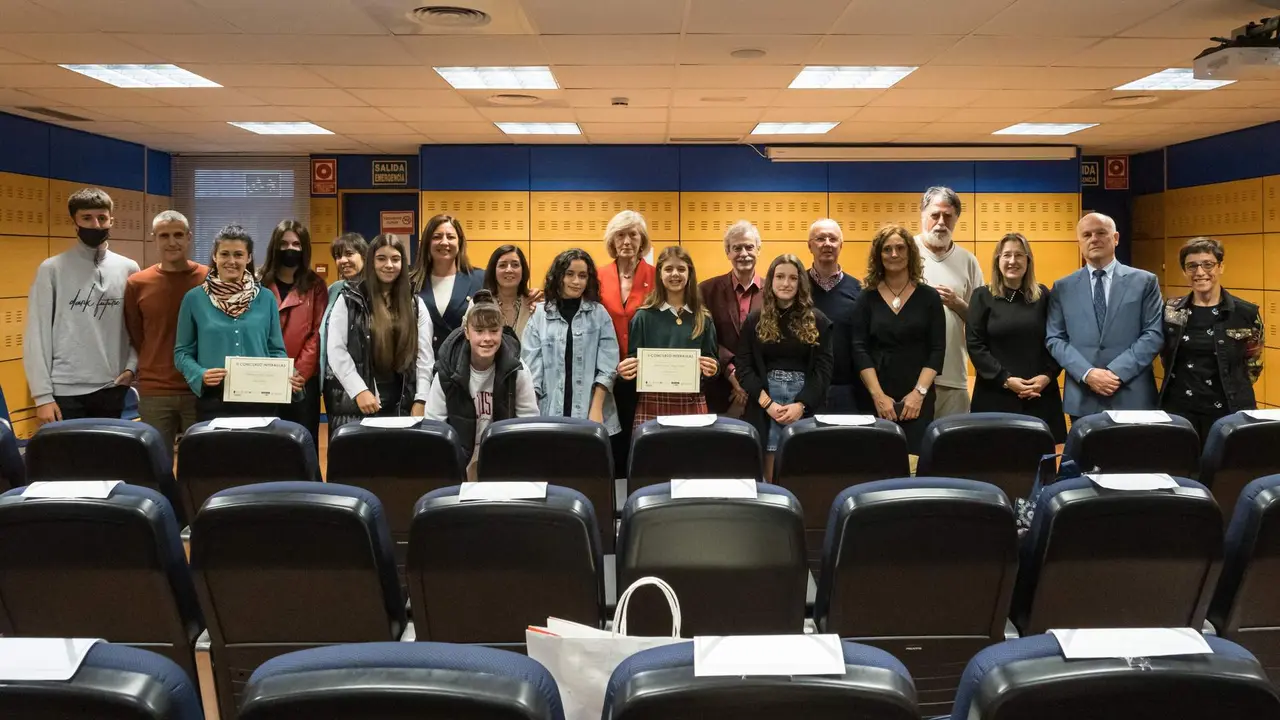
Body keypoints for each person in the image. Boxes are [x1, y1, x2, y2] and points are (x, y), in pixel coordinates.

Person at [24, 187, 139, 424]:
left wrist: (131, 368)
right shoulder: (52, 269)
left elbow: (138, 329)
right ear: (74, 222)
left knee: (109, 458)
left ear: (111, 220)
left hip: (113, 387)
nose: (96, 225)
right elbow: (37, 334)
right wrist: (42, 396)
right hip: (66, 391)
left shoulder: (129, 268)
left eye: (102, 218)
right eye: (87, 218)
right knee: (71, 460)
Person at [1046, 212, 1163, 420]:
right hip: (1083, 395)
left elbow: (1153, 334)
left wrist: (1116, 373)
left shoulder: (1145, 282)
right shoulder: (1062, 287)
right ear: (1079, 242)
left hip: (1133, 395)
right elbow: (1055, 338)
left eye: (1101, 232)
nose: (1094, 239)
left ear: (1116, 238)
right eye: (1087, 234)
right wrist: (1088, 374)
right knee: (1085, 453)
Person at [174, 225, 293, 422]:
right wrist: (200, 374)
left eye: (238, 255)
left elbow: (276, 350)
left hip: (261, 397)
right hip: (213, 398)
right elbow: (182, 352)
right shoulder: (194, 299)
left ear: (248, 258)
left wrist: (288, 374)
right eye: (225, 254)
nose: (231, 261)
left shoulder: (266, 298)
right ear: (215, 256)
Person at [735, 254, 833, 480]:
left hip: (804, 404)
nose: (786, 283)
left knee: (800, 467)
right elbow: (744, 366)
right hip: (765, 404)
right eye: (780, 277)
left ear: (801, 283)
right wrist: (767, 403)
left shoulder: (818, 321)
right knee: (768, 470)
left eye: (793, 278)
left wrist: (802, 404)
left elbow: (824, 369)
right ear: (770, 282)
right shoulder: (754, 320)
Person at [1159, 237, 1263, 445]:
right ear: (1184, 271)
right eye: (1192, 266)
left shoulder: (1246, 313)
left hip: (1229, 410)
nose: (1200, 272)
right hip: (1180, 410)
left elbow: (1253, 364)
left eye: (1208, 264)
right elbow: (1166, 356)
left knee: (1226, 474)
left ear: (1221, 266)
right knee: (1182, 471)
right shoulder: (1171, 310)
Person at [326, 234, 434, 432]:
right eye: (381, 258)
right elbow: (335, 350)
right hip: (362, 400)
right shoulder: (350, 299)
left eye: (395, 259)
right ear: (371, 262)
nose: (389, 265)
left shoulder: (415, 304)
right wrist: (359, 391)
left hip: (403, 402)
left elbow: (425, 357)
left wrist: (421, 398)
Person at [425, 290, 538, 480]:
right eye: (479, 331)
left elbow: (528, 422)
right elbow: (435, 426)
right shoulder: (447, 370)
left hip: (503, 462)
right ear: (467, 333)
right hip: (457, 462)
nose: (487, 338)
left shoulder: (517, 369)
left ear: (502, 332)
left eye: (494, 331)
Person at [853, 224, 946, 454]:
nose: (894, 254)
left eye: (900, 248)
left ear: (910, 253)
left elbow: (937, 349)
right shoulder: (866, 298)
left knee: (915, 464)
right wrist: (878, 396)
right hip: (875, 397)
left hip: (917, 399)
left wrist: (918, 394)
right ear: (878, 256)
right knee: (876, 461)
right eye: (887, 249)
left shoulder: (929, 297)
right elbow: (859, 348)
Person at [966, 233, 1066, 443]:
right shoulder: (982, 296)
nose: (1013, 261)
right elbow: (976, 346)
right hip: (995, 394)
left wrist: (1047, 376)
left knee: (1040, 463)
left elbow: (1057, 339)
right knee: (993, 461)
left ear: (1028, 261)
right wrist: (1006, 380)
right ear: (998, 260)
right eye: (1007, 255)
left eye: (1019, 255)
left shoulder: (1043, 295)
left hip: (1039, 394)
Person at [123, 211, 208, 456]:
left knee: (201, 462)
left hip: (200, 387)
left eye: (178, 235)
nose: (172, 242)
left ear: (189, 237)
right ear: (154, 239)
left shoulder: (209, 278)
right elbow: (136, 333)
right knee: (156, 462)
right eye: (164, 236)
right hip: (156, 390)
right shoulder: (137, 283)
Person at [522, 248, 620, 435]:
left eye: (582, 276)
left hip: (592, 411)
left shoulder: (599, 314)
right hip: (548, 412)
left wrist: (596, 408)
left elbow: (608, 366)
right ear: (558, 276)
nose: (576, 281)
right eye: (570, 274)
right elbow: (531, 370)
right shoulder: (539, 315)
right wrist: (532, 414)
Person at [617, 245, 719, 426]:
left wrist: (713, 369)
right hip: (652, 402)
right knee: (651, 455)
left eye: (681, 269)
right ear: (659, 274)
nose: (675, 274)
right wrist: (625, 371)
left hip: (692, 402)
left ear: (690, 273)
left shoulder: (703, 318)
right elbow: (633, 360)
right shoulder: (643, 317)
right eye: (668, 269)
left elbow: (712, 362)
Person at [915, 186, 983, 418]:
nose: (941, 222)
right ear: (923, 215)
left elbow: (981, 320)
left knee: (952, 448)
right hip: (909, 375)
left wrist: (957, 303)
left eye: (948, 216)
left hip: (953, 375)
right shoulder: (903, 252)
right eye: (935, 215)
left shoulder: (968, 261)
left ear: (956, 219)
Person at [259, 220, 328, 450]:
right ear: (274, 247)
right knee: (267, 444)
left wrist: (298, 373)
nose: (291, 249)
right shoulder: (258, 282)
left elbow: (317, 333)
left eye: (297, 244)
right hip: (264, 377)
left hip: (302, 382)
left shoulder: (315, 285)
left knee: (303, 444)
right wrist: (273, 371)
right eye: (284, 243)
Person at [597, 210, 656, 474]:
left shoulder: (657, 276)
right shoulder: (598, 276)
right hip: (607, 371)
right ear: (612, 240)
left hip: (646, 373)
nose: (627, 241)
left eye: (633, 235)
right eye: (620, 235)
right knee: (612, 437)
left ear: (642, 240)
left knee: (642, 437)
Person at [699, 220, 763, 417]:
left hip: (762, 389)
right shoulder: (706, 290)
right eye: (737, 248)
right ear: (728, 253)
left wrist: (747, 379)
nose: (744, 253)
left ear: (758, 250)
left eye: (749, 247)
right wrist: (733, 372)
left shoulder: (774, 292)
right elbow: (703, 336)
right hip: (719, 387)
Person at [807, 218, 863, 413]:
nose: (827, 244)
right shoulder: (797, 287)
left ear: (841, 245)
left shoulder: (859, 290)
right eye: (820, 238)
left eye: (833, 238)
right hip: (805, 389)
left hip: (847, 390)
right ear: (810, 245)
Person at [409, 214, 485, 352]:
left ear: (460, 242)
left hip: (463, 366)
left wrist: (529, 296)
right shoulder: (410, 282)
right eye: (437, 237)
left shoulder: (479, 279)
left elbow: (506, 300)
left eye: (450, 237)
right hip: (421, 367)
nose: (444, 242)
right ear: (427, 243)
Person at [319, 231, 368, 385]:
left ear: (364, 256)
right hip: (333, 381)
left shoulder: (374, 290)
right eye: (338, 256)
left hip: (364, 379)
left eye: (349, 254)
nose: (343, 260)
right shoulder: (334, 290)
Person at [483, 244, 540, 341]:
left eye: (515, 265)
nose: (509, 270)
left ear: (523, 270)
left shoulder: (534, 303)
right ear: (493, 271)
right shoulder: (480, 303)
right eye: (502, 265)